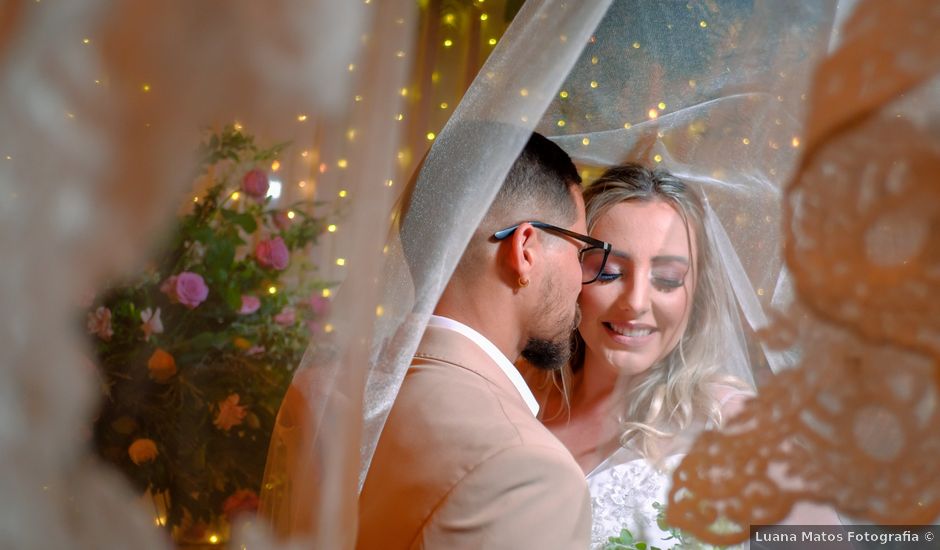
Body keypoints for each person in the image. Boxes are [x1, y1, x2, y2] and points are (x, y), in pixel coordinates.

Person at [356, 131, 604, 549]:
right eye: (579, 250)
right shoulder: (528, 470)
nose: (582, 280)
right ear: (525, 249)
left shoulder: (343, 392)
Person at [526, 163, 755, 548]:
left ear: (695, 295)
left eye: (666, 280)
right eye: (610, 273)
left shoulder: (736, 425)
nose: (635, 303)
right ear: (571, 274)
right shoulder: (515, 402)